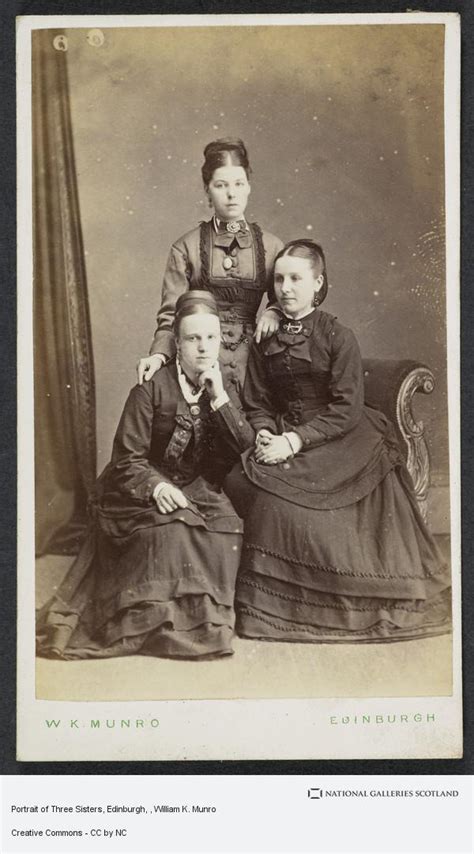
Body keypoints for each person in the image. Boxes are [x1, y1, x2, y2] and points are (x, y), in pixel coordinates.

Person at [226, 239, 451, 643]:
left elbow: (346, 409)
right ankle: (277, 599)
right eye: (279, 279)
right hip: (284, 431)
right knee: (241, 481)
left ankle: (327, 598)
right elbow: (256, 400)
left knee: (282, 502)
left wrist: (294, 442)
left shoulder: (337, 335)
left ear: (318, 283)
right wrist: (264, 431)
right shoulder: (267, 335)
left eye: (297, 278)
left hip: (340, 436)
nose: (286, 287)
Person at [37, 292, 254, 660]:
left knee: (226, 527)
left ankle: (205, 622)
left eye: (211, 338)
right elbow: (126, 458)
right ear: (178, 345)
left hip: (197, 488)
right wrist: (156, 486)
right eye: (192, 338)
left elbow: (243, 447)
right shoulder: (152, 387)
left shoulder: (224, 386)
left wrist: (219, 400)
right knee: (173, 531)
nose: (203, 348)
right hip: (138, 488)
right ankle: (163, 623)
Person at [136, 137, 283, 391]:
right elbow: (172, 315)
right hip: (200, 360)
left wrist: (275, 310)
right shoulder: (186, 247)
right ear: (207, 190)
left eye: (239, 183)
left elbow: (292, 295)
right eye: (221, 185)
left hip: (257, 363)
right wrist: (159, 354)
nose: (231, 193)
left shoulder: (272, 247)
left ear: (249, 186)